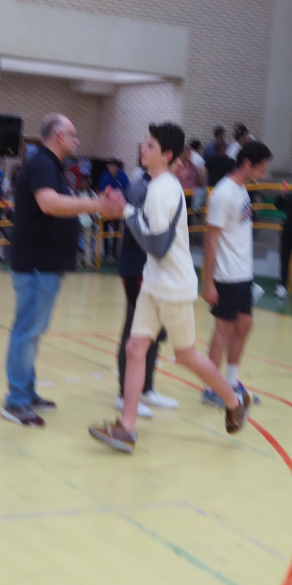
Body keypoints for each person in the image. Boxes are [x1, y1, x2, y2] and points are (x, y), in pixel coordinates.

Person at [88, 123, 252, 453]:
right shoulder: (154, 185)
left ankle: (235, 402)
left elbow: (158, 244)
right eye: (144, 143)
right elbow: (146, 223)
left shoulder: (164, 189)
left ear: (166, 155)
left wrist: (125, 211)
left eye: (150, 145)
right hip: (153, 283)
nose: (143, 148)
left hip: (173, 287)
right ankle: (126, 429)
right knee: (136, 348)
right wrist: (125, 207)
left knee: (186, 355)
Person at [2, 114, 124, 427]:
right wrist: (95, 205)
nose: (77, 140)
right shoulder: (43, 165)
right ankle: (16, 401)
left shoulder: (51, 167)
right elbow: (49, 203)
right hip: (36, 264)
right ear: (58, 136)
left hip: (45, 264)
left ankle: (27, 392)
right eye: (73, 134)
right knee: (26, 332)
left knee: (32, 331)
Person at [200, 141, 272, 408]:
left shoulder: (242, 190)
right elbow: (211, 240)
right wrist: (208, 282)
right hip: (226, 275)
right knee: (223, 330)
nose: (263, 174)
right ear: (247, 164)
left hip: (243, 273)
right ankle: (211, 387)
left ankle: (231, 382)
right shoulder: (223, 194)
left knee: (244, 326)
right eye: (261, 168)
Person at [114, 169, 179, 420]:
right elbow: (143, 229)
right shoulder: (141, 188)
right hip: (138, 269)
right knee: (135, 331)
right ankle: (125, 395)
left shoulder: (166, 185)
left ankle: (146, 388)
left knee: (154, 331)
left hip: (156, 270)